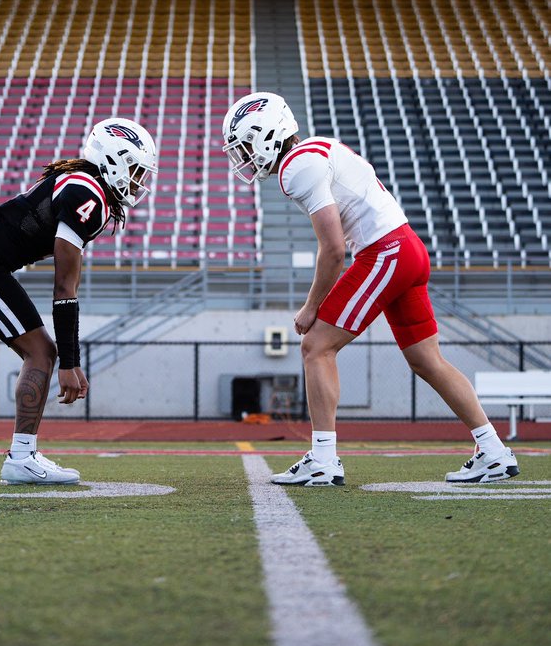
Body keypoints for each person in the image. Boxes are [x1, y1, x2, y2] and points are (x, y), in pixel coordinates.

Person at [222, 91, 520, 487]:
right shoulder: (318, 147)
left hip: (385, 252)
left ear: (267, 134)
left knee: (316, 345)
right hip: (407, 246)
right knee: (427, 360)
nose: (243, 155)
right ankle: (494, 451)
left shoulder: (297, 167)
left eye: (245, 144)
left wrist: (312, 307)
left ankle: (324, 459)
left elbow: (332, 250)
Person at [0, 119, 157, 484]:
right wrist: (71, 363)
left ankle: (23, 454)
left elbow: (64, 283)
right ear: (114, 160)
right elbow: (63, 287)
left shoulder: (85, 187)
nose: (138, 180)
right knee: (43, 353)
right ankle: (22, 456)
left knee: (43, 351)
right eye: (135, 169)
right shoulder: (86, 193)